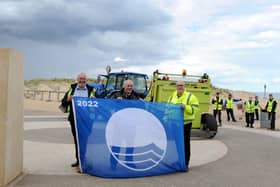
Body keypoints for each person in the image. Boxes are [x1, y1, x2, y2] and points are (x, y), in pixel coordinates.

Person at [62, 73, 95, 169]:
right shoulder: (72, 89)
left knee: (85, 140)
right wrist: (68, 99)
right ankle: (79, 160)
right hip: (74, 119)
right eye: (80, 78)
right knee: (77, 140)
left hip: (87, 120)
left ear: (86, 80)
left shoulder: (91, 90)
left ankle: (84, 159)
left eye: (84, 79)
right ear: (77, 79)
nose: (82, 80)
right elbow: (63, 103)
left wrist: (94, 99)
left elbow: (100, 102)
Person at [167, 80, 199, 170]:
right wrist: (166, 119)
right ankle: (178, 160)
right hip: (175, 124)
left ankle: (185, 163)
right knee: (177, 143)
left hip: (186, 124)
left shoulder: (190, 96)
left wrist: (186, 107)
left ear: (184, 86)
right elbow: (167, 109)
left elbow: (195, 109)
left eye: (181, 85)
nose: (180, 87)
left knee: (185, 144)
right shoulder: (172, 96)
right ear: (176, 87)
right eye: (178, 85)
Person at [110, 79, 140, 169]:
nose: (129, 88)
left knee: (130, 145)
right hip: (119, 125)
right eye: (128, 86)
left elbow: (142, 107)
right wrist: (116, 100)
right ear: (124, 86)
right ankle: (113, 164)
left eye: (131, 86)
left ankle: (129, 162)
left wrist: (142, 102)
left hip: (131, 125)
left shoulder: (136, 96)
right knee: (116, 145)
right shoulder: (116, 94)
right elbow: (108, 103)